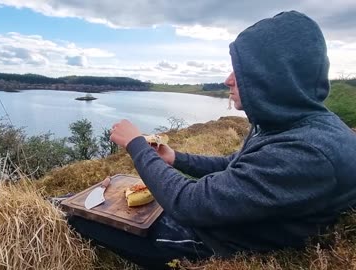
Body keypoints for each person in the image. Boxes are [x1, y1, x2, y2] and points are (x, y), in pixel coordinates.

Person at [68, 10, 356, 269]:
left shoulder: (308, 151)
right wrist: (177, 159)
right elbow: (238, 166)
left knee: (77, 216)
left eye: (241, 71)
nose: (228, 80)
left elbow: (189, 203)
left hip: (217, 243)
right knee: (89, 202)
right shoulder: (290, 124)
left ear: (272, 76)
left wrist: (136, 145)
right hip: (237, 221)